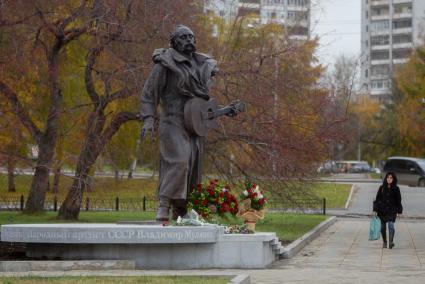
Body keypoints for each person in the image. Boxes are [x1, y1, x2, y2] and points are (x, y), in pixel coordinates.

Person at [139, 25, 218, 222]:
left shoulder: (203, 65)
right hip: (172, 121)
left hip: (193, 124)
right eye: (183, 37)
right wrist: (149, 119)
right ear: (173, 42)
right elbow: (149, 94)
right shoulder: (164, 65)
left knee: (192, 168)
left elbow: (202, 102)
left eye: (191, 37)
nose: (189, 40)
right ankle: (163, 205)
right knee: (180, 161)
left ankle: (181, 211)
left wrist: (216, 112)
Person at [373, 172, 403, 249]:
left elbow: (398, 201)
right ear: (386, 178)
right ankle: (385, 242)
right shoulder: (382, 187)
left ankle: (391, 242)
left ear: (393, 179)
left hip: (392, 211)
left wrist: (399, 211)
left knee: (391, 226)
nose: (389, 179)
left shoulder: (396, 189)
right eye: (388, 178)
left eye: (391, 178)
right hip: (382, 211)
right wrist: (375, 210)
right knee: (382, 228)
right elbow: (377, 199)